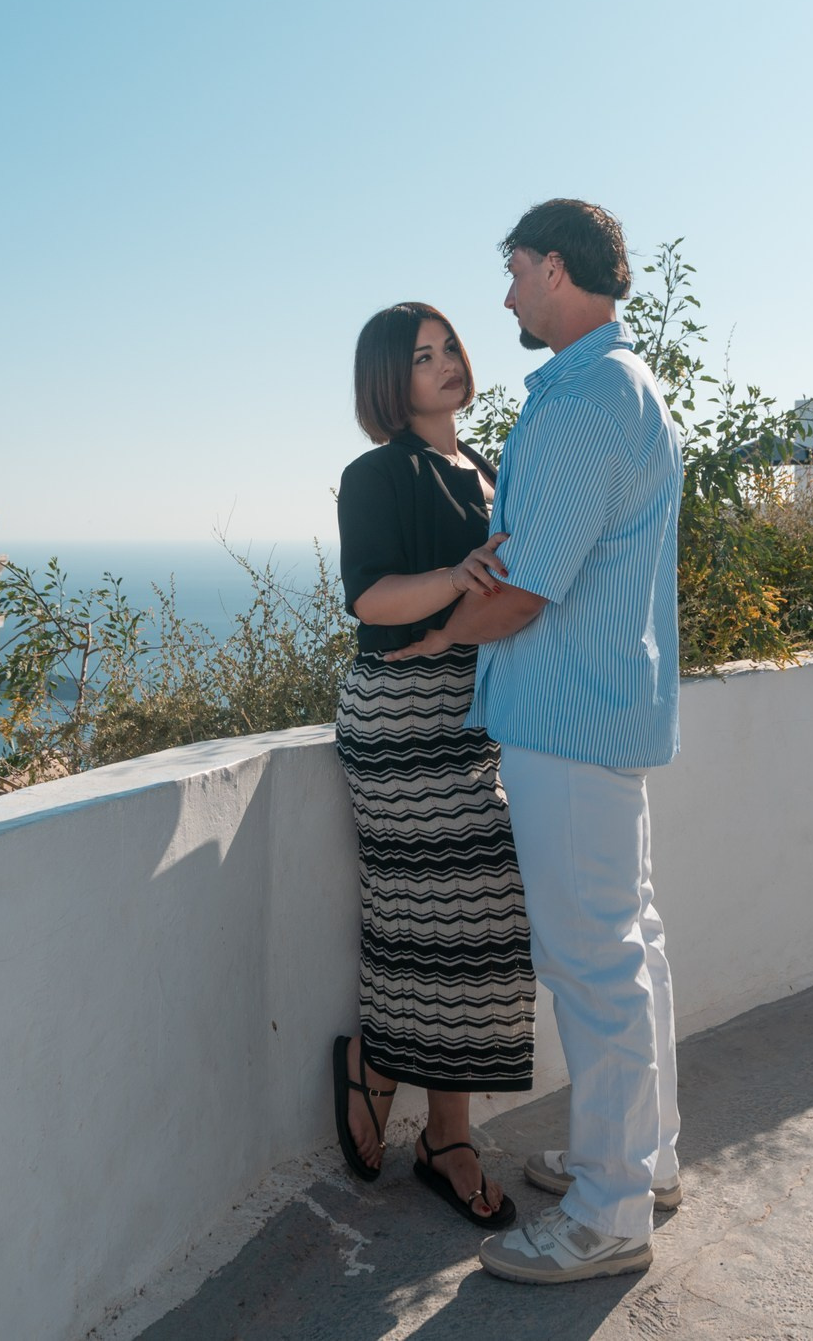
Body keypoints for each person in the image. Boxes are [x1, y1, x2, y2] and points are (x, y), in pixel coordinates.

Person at [384, 200, 685, 1285]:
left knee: (591, 965)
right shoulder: (613, 387)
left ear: (556, 270)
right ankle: (640, 1166)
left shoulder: (588, 398)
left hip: (564, 719)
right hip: (602, 711)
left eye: (514, 272)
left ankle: (608, 1215)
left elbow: (521, 590)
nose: (505, 295)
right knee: (629, 947)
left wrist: (432, 638)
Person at [329, 301, 535, 1230]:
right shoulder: (374, 472)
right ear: (390, 379)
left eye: (450, 346)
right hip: (401, 721)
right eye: (423, 356)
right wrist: (455, 584)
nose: (448, 362)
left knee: (475, 925)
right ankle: (408, 1099)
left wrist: (459, 617)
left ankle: (428, 1115)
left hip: (470, 714)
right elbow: (370, 597)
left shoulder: (483, 467)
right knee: (431, 915)